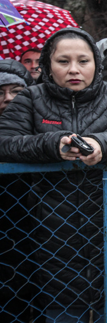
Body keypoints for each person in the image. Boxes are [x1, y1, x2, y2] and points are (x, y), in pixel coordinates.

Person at [0, 27, 107, 323]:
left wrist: (102, 144)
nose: (74, 69)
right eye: (63, 61)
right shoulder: (31, 98)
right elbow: (4, 141)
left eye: (83, 61)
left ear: (96, 63)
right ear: (47, 65)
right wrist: (51, 145)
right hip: (52, 231)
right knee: (63, 311)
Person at [0, 58, 34, 321]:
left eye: (15, 91)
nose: (8, 99)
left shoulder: (37, 128)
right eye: (0, 93)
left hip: (33, 229)